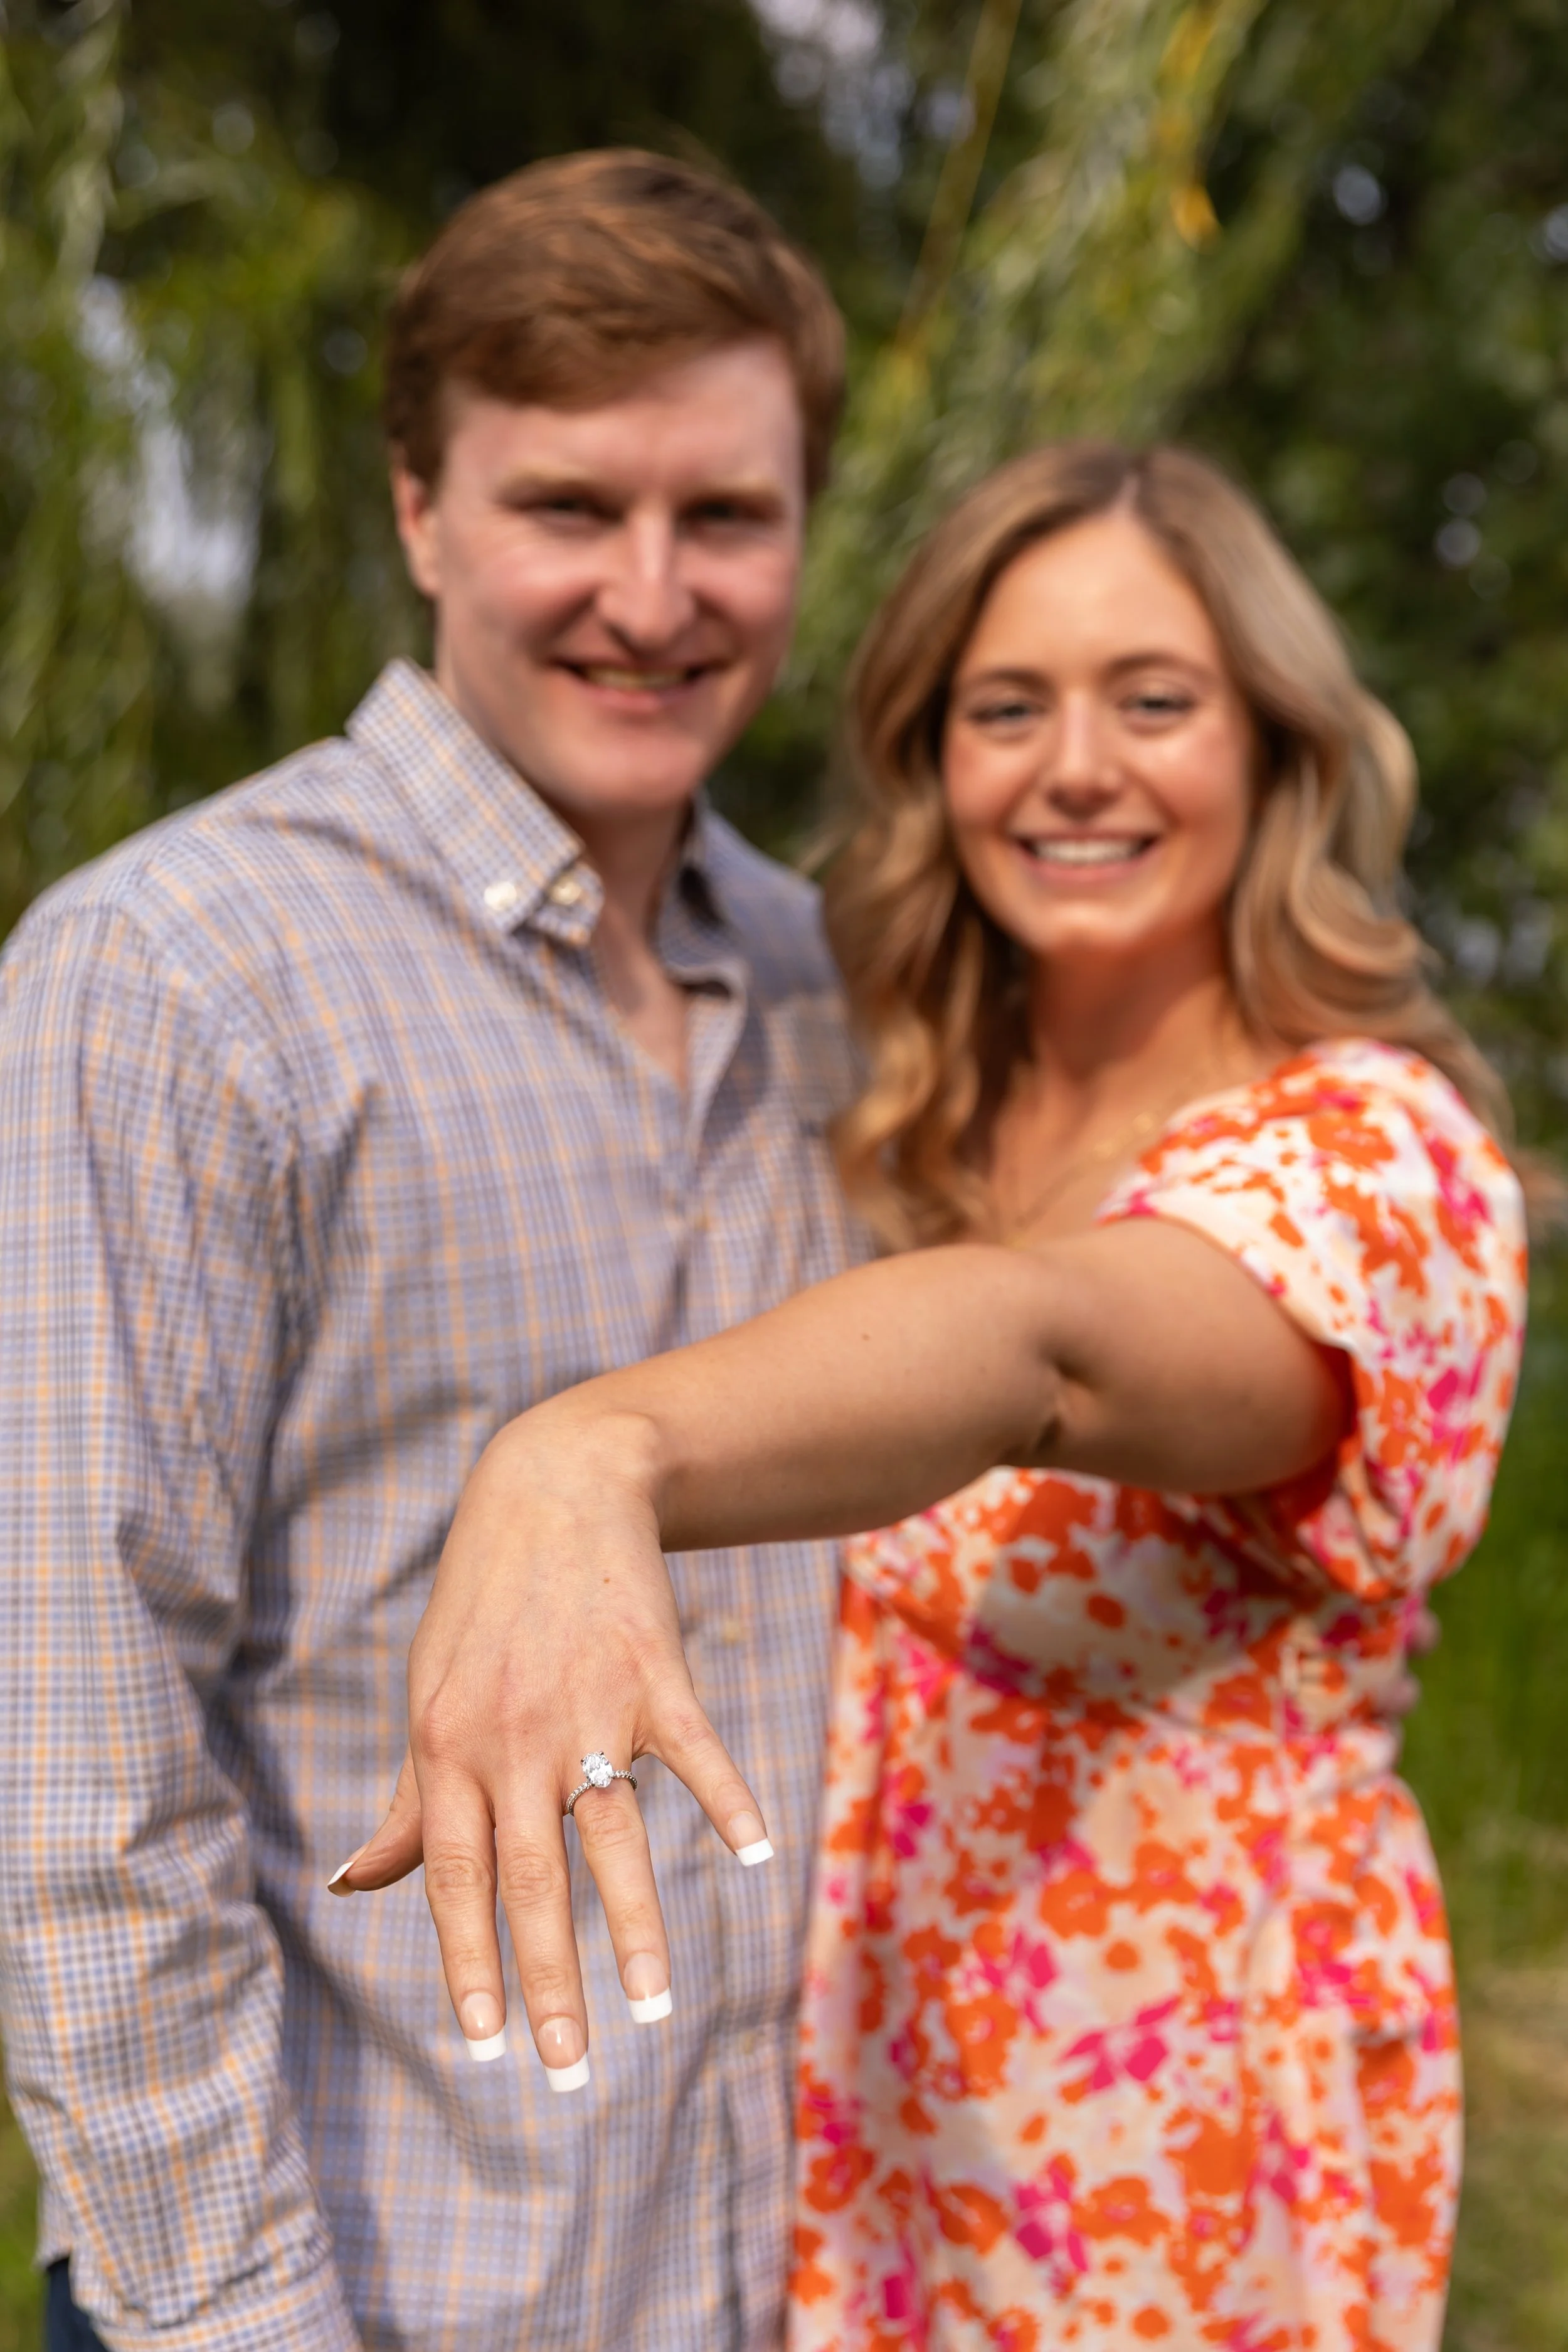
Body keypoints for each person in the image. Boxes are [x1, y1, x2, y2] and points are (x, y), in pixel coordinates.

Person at [352, 443, 1528, 2348]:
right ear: (934, 758)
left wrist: (591, 1451)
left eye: (1154, 701)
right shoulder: (918, 1109)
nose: (1076, 767)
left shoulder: (1374, 1158)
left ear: (1275, 744)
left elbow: (1042, 1350)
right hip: (876, 2131)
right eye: (1007, 709)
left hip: (1167, 2165)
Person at [0, 151, 869, 2350]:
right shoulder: (177, 975)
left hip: (764, 2277)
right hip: (371, 2291)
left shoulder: (835, 988)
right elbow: (74, 1765)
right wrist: (234, 2319)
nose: (652, 595)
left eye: (725, 514)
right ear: (420, 511)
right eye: (568, 505)